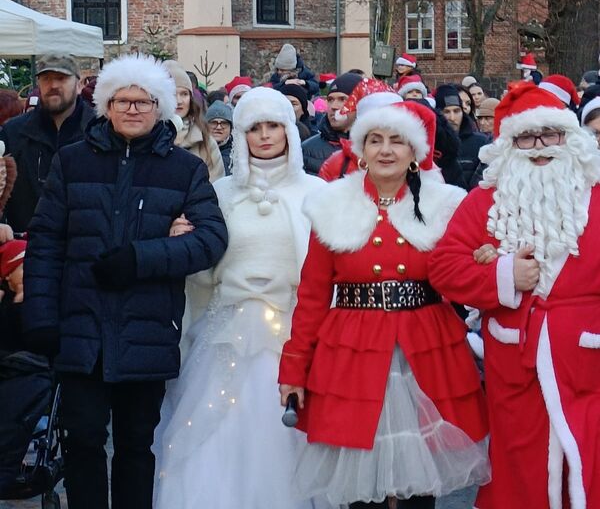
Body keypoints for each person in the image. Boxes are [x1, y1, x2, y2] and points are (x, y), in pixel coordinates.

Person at [22, 54, 228, 509]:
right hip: (81, 328)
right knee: (83, 440)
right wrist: (41, 317)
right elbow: (46, 242)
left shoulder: (184, 169)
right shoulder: (72, 161)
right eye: (122, 100)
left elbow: (211, 240)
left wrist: (142, 257)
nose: (133, 109)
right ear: (106, 106)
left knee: (136, 444)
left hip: (147, 327)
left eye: (143, 101)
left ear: (160, 107)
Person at [279, 100, 489, 508]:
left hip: (425, 348)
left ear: (415, 152)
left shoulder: (445, 204)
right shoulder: (332, 205)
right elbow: (313, 296)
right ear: (361, 149)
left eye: (397, 140)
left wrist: (483, 260)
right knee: (361, 479)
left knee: (420, 481)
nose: (386, 150)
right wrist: (294, 369)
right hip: (353, 352)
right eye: (375, 140)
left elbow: (463, 279)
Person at [429, 81, 600, 509]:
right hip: (515, 364)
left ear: (569, 138)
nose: (539, 147)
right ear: (509, 145)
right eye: (526, 137)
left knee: (590, 460)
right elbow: (444, 268)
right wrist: (502, 276)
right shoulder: (486, 202)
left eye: (550, 134)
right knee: (521, 469)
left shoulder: (597, 196)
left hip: (588, 363)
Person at [153, 87, 322, 509]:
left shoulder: (316, 193)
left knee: (284, 435)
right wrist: (181, 240)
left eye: (273, 126)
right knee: (212, 433)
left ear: (288, 130)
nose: (264, 136)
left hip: (293, 333)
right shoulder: (221, 193)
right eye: (254, 128)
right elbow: (202, 269)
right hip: (226, 331)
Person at [0, 55, 94, 234]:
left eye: (61, 78)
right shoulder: (13, 133)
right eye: (46, 79)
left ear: (79, 85)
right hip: (26, 242)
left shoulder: (100, 131)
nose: (53, 85)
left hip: (84, 242)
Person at [164, 60, 225, 182]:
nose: (179, 101)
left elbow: (216, 184)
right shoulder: (145, 137)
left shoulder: (205, 141)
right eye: (172, 94)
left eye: (184, 94)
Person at [302, 72, 362, 175]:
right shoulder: (306, 149)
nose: (334, 106)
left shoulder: (374, 149)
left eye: (342, 99)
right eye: (330, 100)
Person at [435, 85, 487, 189]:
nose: (452, 118)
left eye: (456, 111)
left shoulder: (481, 143)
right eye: (446, 112)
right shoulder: (432, 145)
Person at [205, 99, 234, 175]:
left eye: (224, 123)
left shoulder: (238, 154)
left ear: (230, 128)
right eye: (213, 122)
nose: (218, 127)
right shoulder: (197, 150)